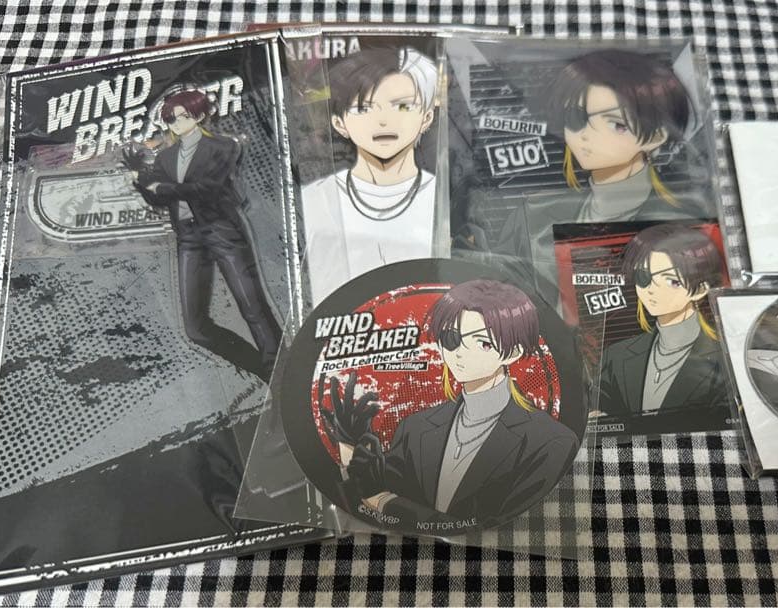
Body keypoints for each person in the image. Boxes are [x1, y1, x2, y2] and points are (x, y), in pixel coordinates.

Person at [320, 279, 578, 529]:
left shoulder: (551, 442)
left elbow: (490, 530)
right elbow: (366, 503)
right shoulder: (414, 429)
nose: (460, 352)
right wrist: (350, 450)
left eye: (483, 342)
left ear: (513, 353)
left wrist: (385, 502)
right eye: (452, 338)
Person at [494, 50, 710, 303]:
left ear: (656, 136)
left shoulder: (683, 226)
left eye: (617, 125)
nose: (587, 135)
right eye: (576, 118)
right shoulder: (531, 218)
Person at [130, 89, 280, 379]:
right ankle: (264, 371)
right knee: (195, 328)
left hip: (222, 230)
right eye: (170, 118)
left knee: (252, 306)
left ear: (199, 115)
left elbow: (207, 188)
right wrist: (139, 180)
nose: (175, 123)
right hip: (188, 237)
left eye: (182, 116)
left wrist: (163, 188)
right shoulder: (166, 157)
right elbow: (159, 199)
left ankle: (278, 367)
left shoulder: (223, 147)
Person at [300, 46, 439, 307]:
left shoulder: (444, 200)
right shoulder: (314, 200)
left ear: (427, 116)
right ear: (339, 123)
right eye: (364, 109)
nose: (383, 121)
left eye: (402, 106)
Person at [598, 225, 728, 427]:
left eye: (672, 281)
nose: (652, 289)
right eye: (644, 277)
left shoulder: (725, 360)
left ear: (701, 289)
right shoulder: (615, 357)